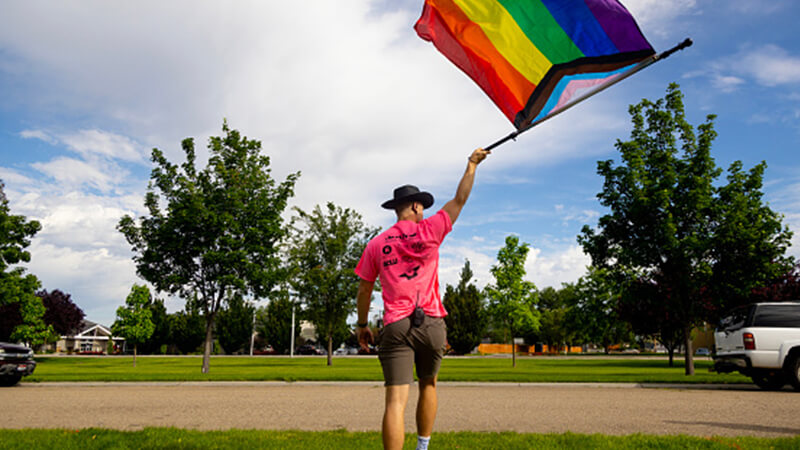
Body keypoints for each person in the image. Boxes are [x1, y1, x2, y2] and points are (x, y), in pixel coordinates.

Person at [355, 148, 490, 450]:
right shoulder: (431, 230)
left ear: (396, 209)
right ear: (416, 206)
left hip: (396, 325)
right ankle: (422, 447)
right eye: (422, 207)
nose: (424, 211)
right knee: (428, 384)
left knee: (395, 400)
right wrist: (471, 166)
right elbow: (459, 200)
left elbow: (364, 290)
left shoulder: (376, 244)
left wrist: (363, 325)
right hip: (432, 323)